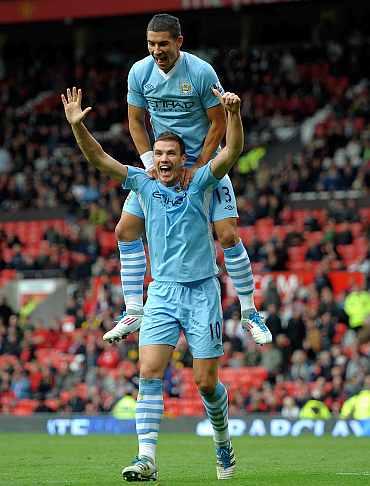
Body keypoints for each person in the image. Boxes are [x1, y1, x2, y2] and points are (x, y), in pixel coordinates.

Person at [62, 86, 270, 481]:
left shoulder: (201, 183)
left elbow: (231, 152)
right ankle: (146, 459)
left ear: (182, 158)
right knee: (150, 372)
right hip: (161, 293)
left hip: (203, 292)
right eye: (158, 154)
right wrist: (78, 127)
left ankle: (223, 442)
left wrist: (234, 116)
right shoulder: (143, 184)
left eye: (170, 154)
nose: (163, 159)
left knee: (206, 383)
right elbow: (99, 158)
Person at [104, 13, 267, 344]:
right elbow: (136, 121)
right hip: (163, 162)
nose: (156, 50)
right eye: (151, 44)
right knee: (125, 229)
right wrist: (150, 161)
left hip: (200, 162)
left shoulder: (201, 72)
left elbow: (218, 123)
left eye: (163, 44)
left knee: (228, 234)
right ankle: (134, 309)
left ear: (179, 41)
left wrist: (201, 166)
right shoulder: (140, 72)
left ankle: (250, 312)